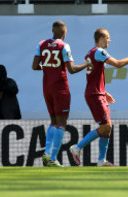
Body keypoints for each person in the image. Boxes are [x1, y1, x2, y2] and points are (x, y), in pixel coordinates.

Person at [69, 28, 128, 167]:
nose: (110, 40)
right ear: (102, 38)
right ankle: (77, 148)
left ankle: (101, 160)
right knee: (106, 127)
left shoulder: (91, 53)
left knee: (107, 127)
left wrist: (104, 91)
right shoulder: (99, 52)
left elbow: (94, 76)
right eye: (108, 37)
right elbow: (118, 64)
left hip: (98, 93)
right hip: (94, 94)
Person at [32, 20, 89, 167]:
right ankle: (53, 158)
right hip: (60, 88)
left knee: (53, 121)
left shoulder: (41, 44)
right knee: (62, 123)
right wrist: (87, 63)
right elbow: (72, 69)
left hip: (47, 87)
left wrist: (49, 68)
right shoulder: (64, 46)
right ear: (64, 32)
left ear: (53, 30)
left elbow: (34, 66)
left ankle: (47, 153)